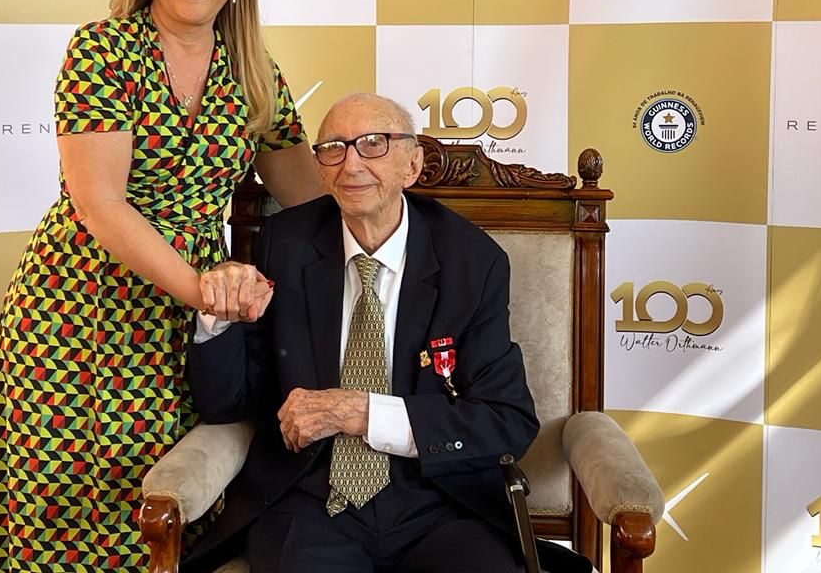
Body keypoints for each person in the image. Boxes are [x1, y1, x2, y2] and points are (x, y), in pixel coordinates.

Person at [0, 0, 323, 572]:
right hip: (78, 309)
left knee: (164, 497)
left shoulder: (255, 71)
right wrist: (207, 293)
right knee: (61, 505)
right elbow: (101, 206)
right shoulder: (103, 50)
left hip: (184, 330)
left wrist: (397, 214)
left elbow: (306, 195)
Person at [186, 93, 591, 572]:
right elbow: (230, 402)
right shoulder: (285, 244)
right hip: (311, 497)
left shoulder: (472, 262)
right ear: (320, 170)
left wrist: (364, 413)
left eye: (373, 144)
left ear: (412, 164)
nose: (351, 164)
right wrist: (218, 315)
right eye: (333, 148)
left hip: (441, 501)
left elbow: (505, 421)